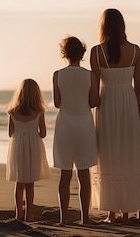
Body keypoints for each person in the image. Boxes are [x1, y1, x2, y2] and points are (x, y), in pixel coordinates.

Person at [90, 8, 140, 224]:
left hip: (107, 103)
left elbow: (94, 88)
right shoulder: (136, 50)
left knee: (108, 153)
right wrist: (139, 116)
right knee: (128, 154)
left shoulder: (96, 52)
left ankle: (111, 214)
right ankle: (126, 212)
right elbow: (138, 86)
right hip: (129, 103)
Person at [52, 36, 100, 225]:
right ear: (82, 52)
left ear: (64, 53)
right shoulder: (90, 75)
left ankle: (63, 218)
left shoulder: (57, 74)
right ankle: (84, 217)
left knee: (65, 174)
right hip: (84, 127)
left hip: (64, 126)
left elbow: (57, 103)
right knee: (84, 173)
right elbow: (94, 101)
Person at [5, 78, 51, 221]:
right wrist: (32, 133)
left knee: (19, 183)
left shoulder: (12, 112)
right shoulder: (39, 112)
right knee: (30, 183)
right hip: (33, 147)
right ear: (37, 94)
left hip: (18, 147)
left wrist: (22, 132)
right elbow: (43, 133)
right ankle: (29, 214)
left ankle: (18, 213)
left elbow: (10, 133)